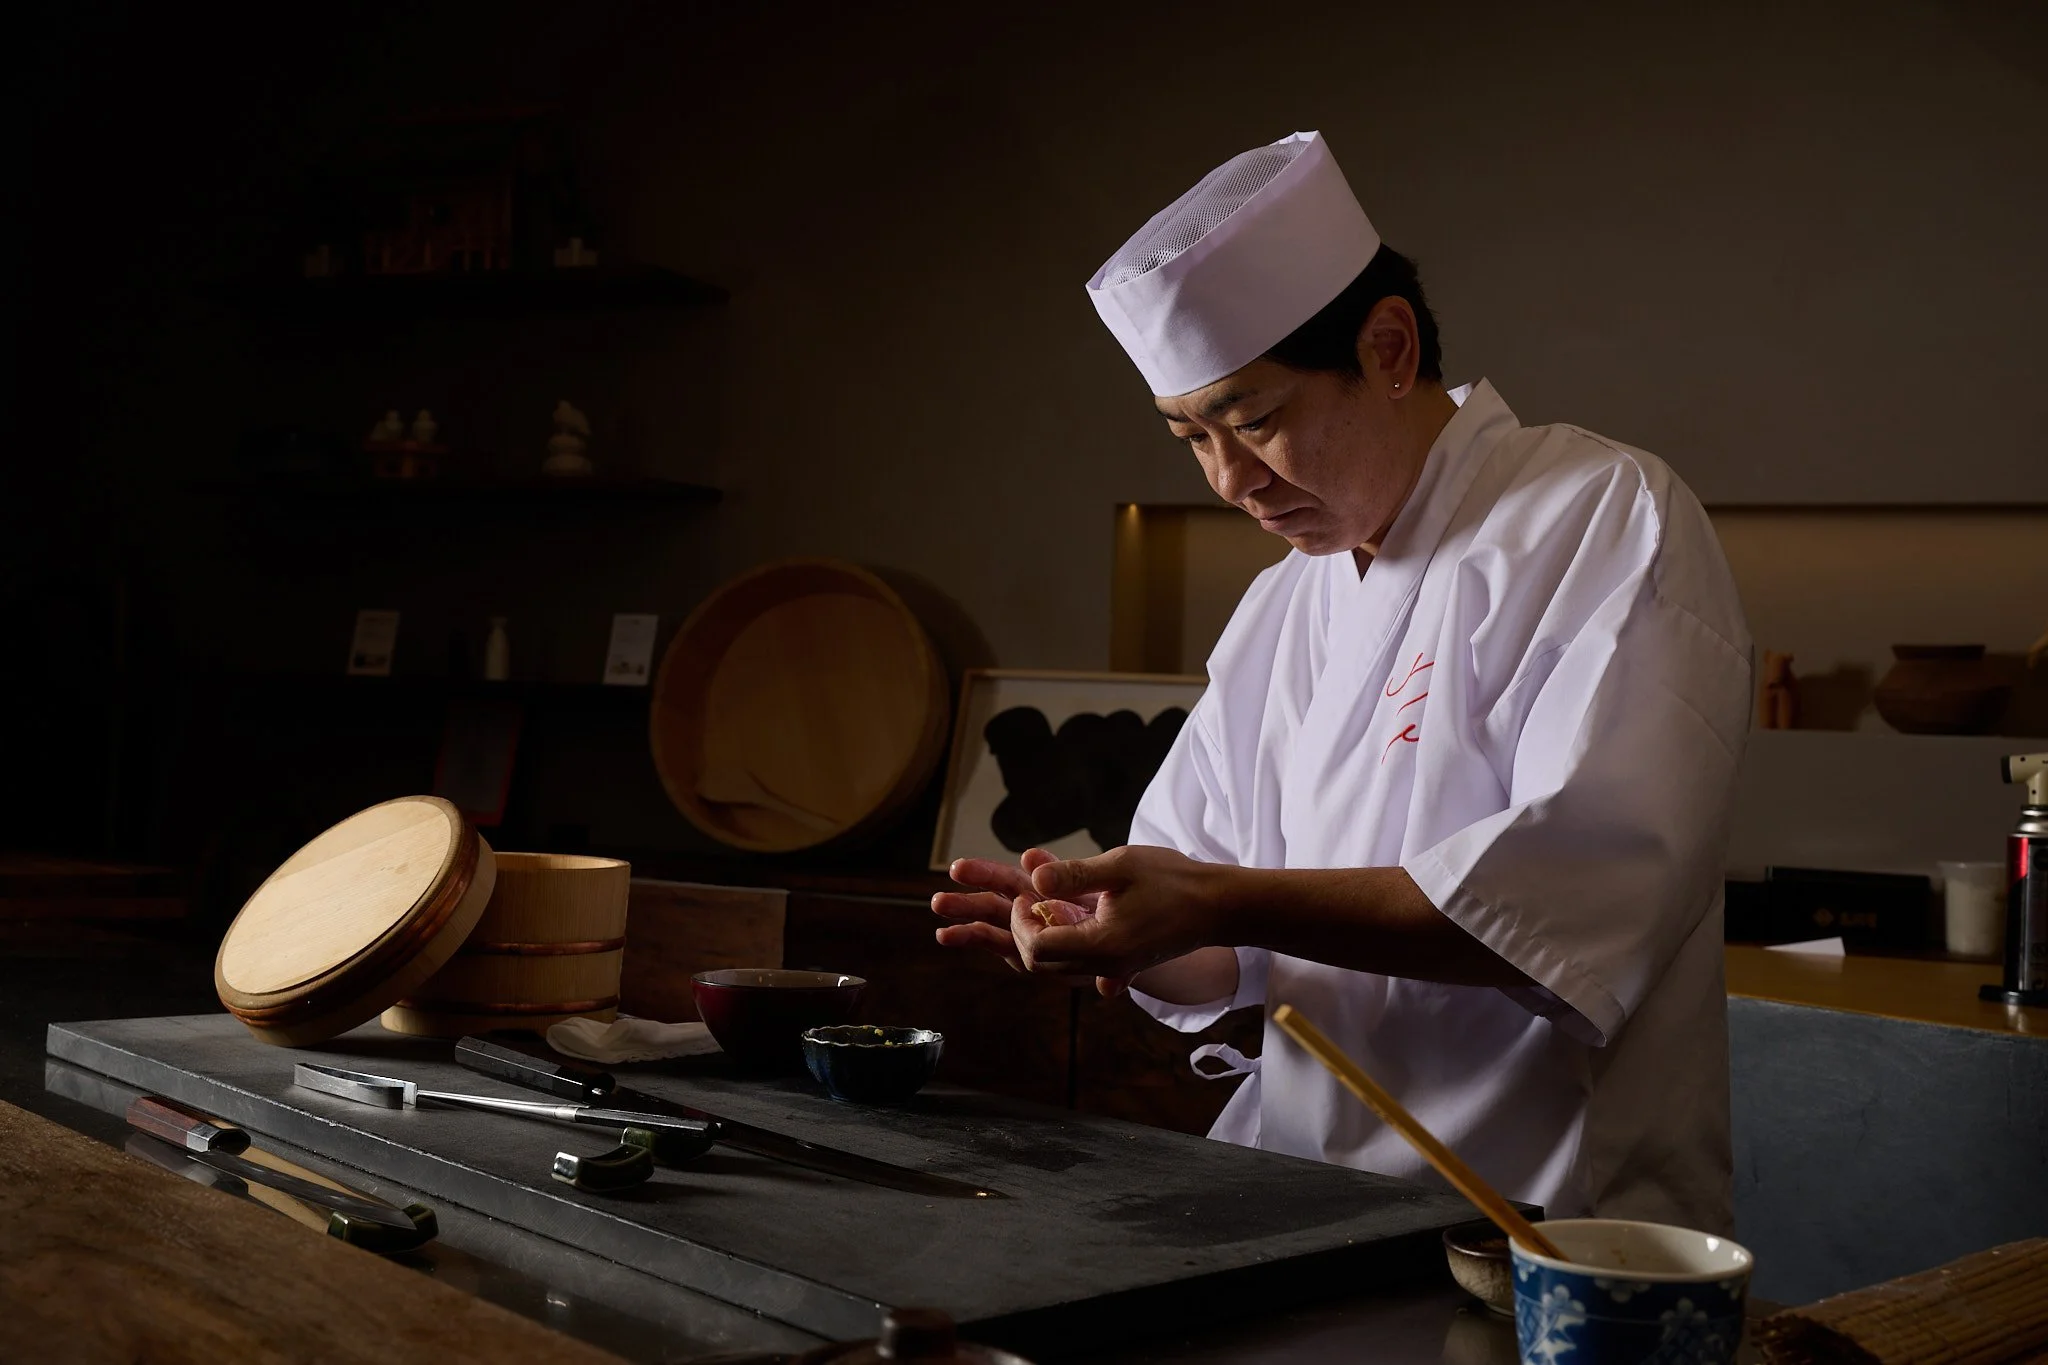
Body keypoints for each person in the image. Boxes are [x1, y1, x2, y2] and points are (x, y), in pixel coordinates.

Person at [933, 131, 1752, 1232]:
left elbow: (1559, 900)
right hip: (1309, 1199)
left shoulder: (1600, 517)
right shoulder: (1284, 606)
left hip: (1547, 1212)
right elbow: (1218, 932)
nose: (1230, 481)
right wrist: (1123, 928)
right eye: (1190, 439)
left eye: (1254, 420)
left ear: (1389, 347)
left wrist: (1214, 899)